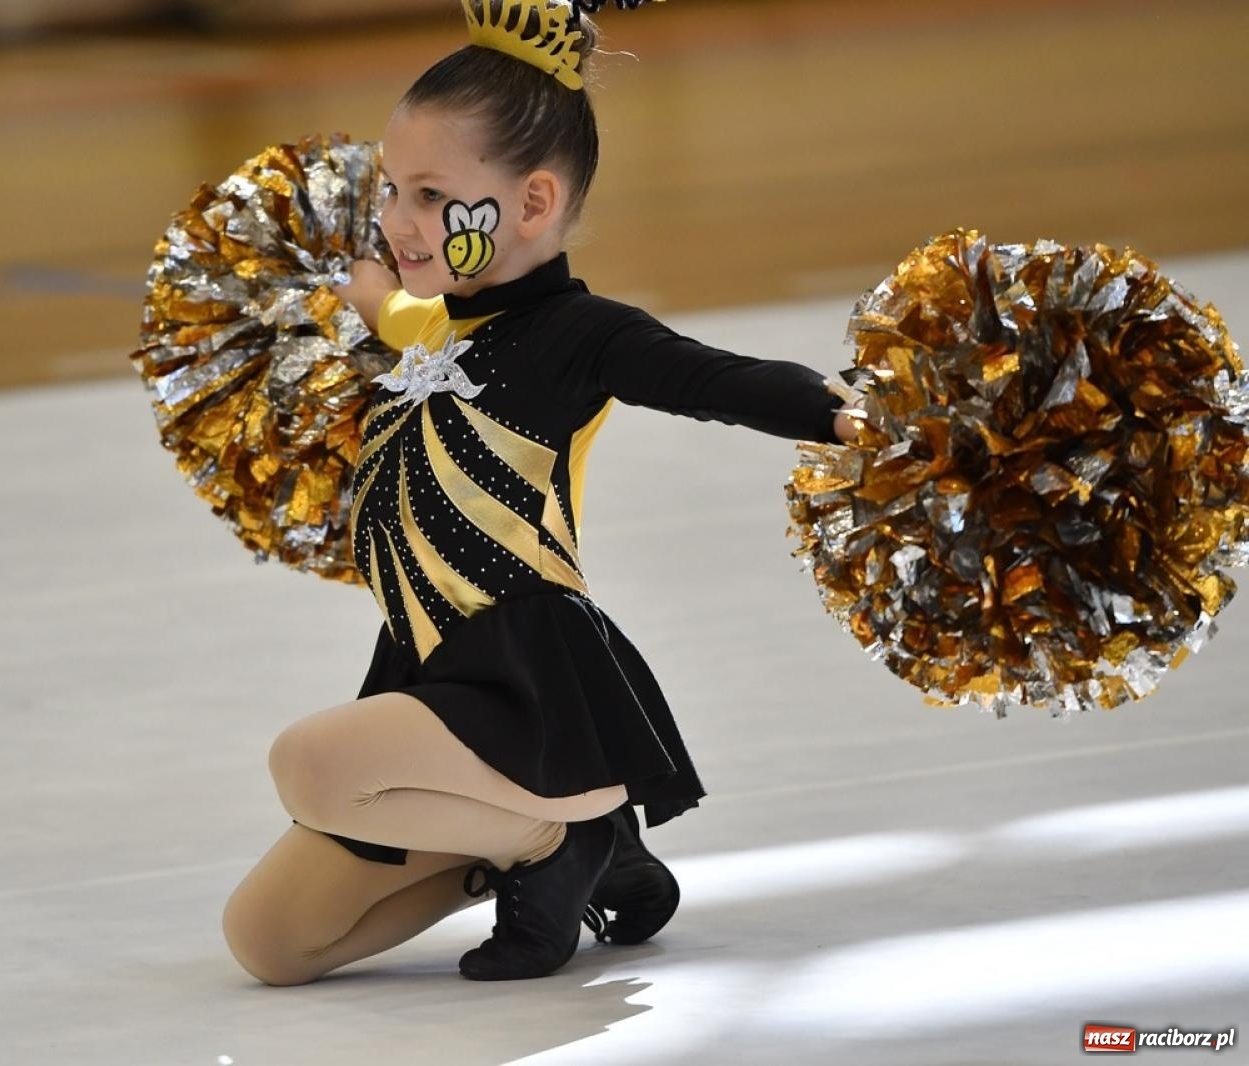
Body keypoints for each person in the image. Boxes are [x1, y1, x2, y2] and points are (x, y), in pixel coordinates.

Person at [220, 0, 862, 987]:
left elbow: (717, 379)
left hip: (526, 674)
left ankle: (557, 839)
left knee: (309, 764)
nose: (396, 219)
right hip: (429, 673)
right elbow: (384, 304)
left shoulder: (579, 334)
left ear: (531, 204)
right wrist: (328, 277)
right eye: (390, 188)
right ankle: (556, 848)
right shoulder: (430, 328)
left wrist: (849, 416)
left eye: (430, 194)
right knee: (268, 941)